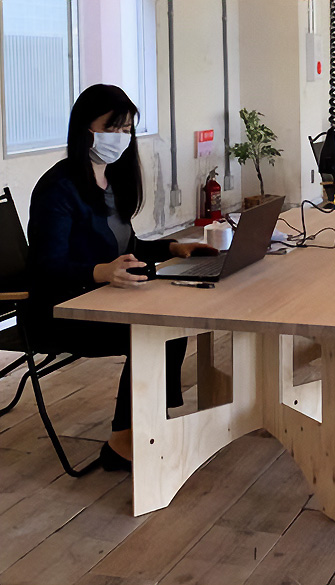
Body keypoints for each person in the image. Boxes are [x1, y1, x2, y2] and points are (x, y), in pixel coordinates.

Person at [27, 84, 216, 472]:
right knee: (153, 329)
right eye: (111, 128)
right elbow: (46, 267)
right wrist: (100, 271)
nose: (120, 137)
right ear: (85, 129)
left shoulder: (112, 180)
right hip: (62, 311)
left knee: (172, 323)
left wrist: (173, 247)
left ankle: (147, 424)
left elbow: (127, 247)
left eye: (127, 129)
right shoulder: (57, 189)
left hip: (103, 298)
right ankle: (123, 442)